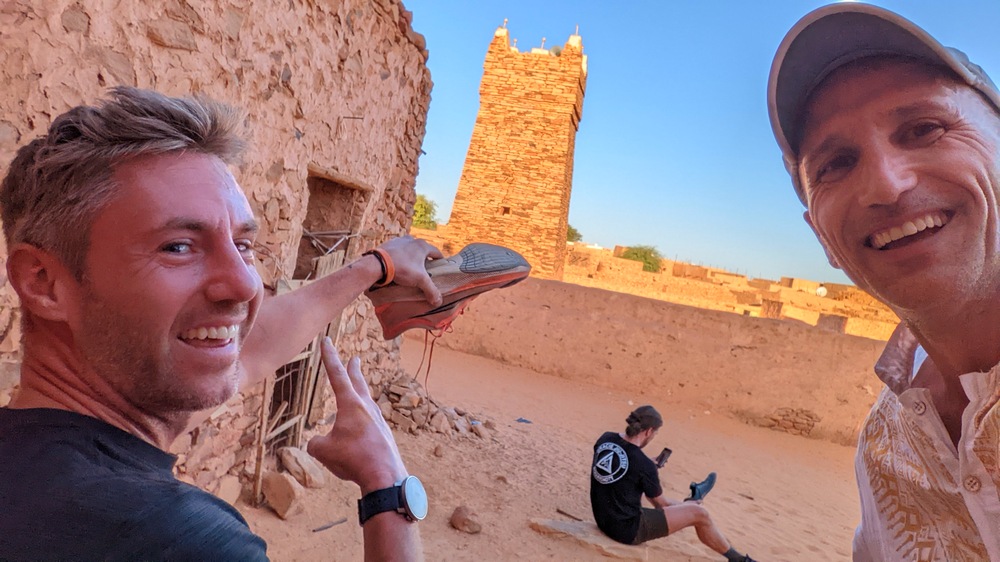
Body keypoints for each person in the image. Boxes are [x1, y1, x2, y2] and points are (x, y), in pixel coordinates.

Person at [0, 87, 443, 560]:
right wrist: (388, 488)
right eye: (178, 246)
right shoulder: (172, 537)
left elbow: (247, 355)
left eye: (244, 245)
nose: (245, 284)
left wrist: (376, 266)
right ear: (44, 282)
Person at [768, 4, 1000, 561]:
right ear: (822, 238)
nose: (887, 185)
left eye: (924, 128)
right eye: (835, 164)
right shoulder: (885, 446)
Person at [589, 405, 755, 562]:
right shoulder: (644, 466)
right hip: (626, 530)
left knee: (690, 509)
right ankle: (739, 559)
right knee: (700, 514)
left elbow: (623, 459)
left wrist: (646, 465)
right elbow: (661, 504)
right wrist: (690, 506)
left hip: (603, 519)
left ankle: (692, 503)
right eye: (655, 434)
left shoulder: (605, 438)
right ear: (648, 431)